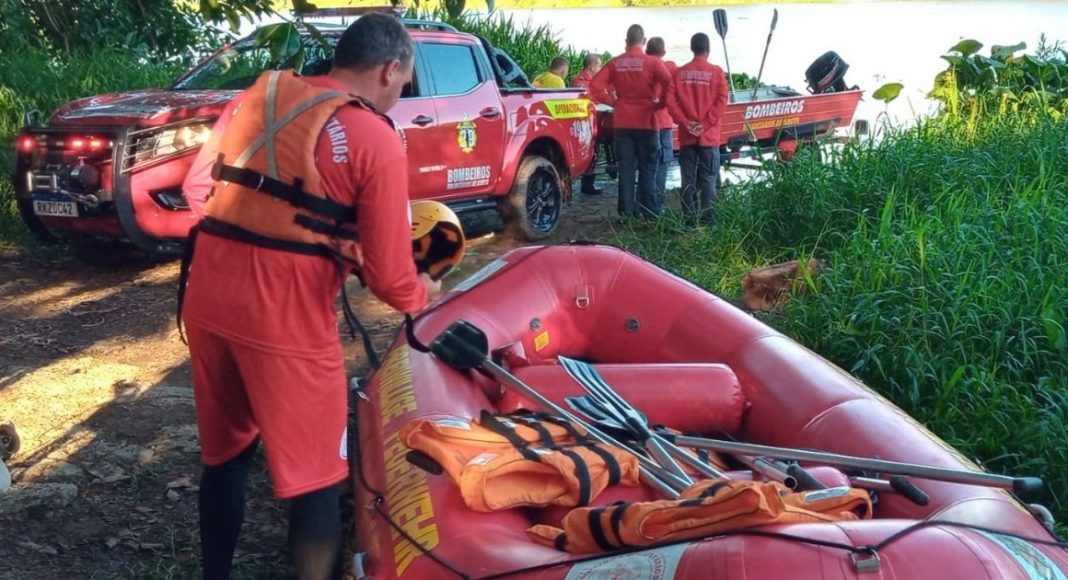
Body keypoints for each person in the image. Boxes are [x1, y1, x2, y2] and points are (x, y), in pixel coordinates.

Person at [180, 14, 439, 580]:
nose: (401, 94)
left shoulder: (255, 98)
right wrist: (428, 292)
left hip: (207, 298)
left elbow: (196, 190)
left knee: (224, 457)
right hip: (285, 320)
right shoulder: (375, 138)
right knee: (320, 477)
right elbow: (394, 282)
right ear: (390, 69)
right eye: (405, 83)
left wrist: (285, 232)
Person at [589, 24, 672, 219]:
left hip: (623, 122)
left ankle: (626, 211)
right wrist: (660, 105)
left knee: (626, 168)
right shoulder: (652, 63)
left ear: (626, 42)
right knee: (648, 167)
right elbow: (671, 84)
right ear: (643, 42)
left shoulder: (616, 62)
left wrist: (613, 102)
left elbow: (594, 86)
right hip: (647, 121)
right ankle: (649, 210)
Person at [667, 32, 728, 224]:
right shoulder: (716, 72)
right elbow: (722, 101)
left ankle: (689, 220)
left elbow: (670, 101)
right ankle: (708, 219)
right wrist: (706, 123)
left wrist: (685, 122)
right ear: (708, 50)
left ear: (692, 48)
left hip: (687, 136)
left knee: (687, 179)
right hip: (708, 137)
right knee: (709, 179)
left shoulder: (680, 73)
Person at [645, 37, 677, 203]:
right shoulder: (669, 67)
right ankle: (657, 202)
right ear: (663, 52)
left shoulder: (641, 67)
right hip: (663, 123)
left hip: (643, 123)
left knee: (646, 165)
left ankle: (643, 203)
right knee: (663, 163)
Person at [570, 52, 604, 196]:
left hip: (589, 122)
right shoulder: (581, 82)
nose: (600, 69)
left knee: (593, 152)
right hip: (585, 124)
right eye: (599, 66)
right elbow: (590, 100)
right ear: (592, 66)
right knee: (590, 151)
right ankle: (586, 184)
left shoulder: (585, 80)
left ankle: (588, 183)